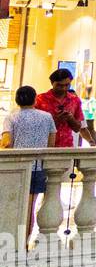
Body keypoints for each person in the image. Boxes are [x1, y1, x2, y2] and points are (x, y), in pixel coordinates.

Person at [3, 85, 58, 226]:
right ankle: (25, 241)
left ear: (16, 100)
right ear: (35, 99)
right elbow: (51, 144)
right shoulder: (47, 117)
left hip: (17, 167)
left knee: (13, 206)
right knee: (29, 207)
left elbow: (7, 143)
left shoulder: (11, 117)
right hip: (38, 166)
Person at [36, 68, 96, 147]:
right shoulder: (40, 100)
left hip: (67, 146)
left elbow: (77, 128)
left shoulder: (74, 100)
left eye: (67, 85)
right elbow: (35, 126)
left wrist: (71, 119)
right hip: (44, 146)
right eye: (59, 85)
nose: (64, 88)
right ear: (52, 83)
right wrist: (55, 120)